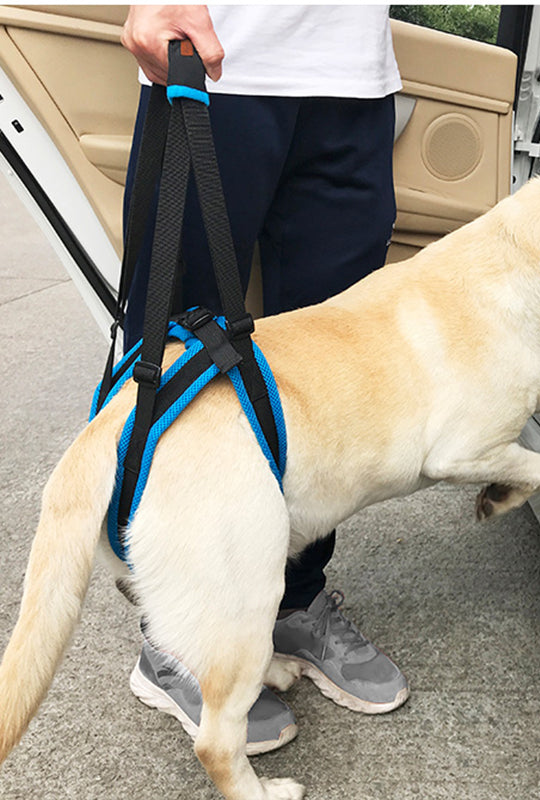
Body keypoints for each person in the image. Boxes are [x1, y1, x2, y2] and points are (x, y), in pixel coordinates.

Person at [120, 4, 408, 753]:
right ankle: (178, 635)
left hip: (354, 82)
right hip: (218, 56)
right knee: (184, 363)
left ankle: (295, 599)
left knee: (332, 377)